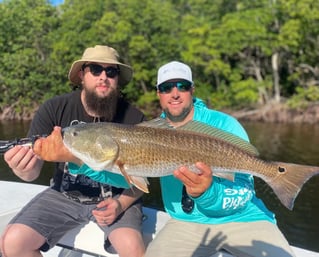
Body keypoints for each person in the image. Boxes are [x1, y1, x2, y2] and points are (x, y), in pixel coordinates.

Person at [0, 45, 145, 257]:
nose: (103, 77)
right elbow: (31, 173)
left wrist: (120, 204)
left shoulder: (134, 118)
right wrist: (22, 168)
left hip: (116, 197)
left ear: (117, 79)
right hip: (63, 195)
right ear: (81, 75)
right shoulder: (54, 108)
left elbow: (143, 176)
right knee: (13, 242)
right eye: (95, 69)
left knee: (133, 249)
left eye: (111, 71)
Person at [143, 61, 296, 257]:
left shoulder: (224, 124)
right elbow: (123, 174)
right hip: (184, 223)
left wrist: (206, 193)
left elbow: (244, 191)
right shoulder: (148, 131)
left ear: (192, 90)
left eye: (182, 86)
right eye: (166, 87)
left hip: (243, 218)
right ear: (158, 93)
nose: (174, 93)